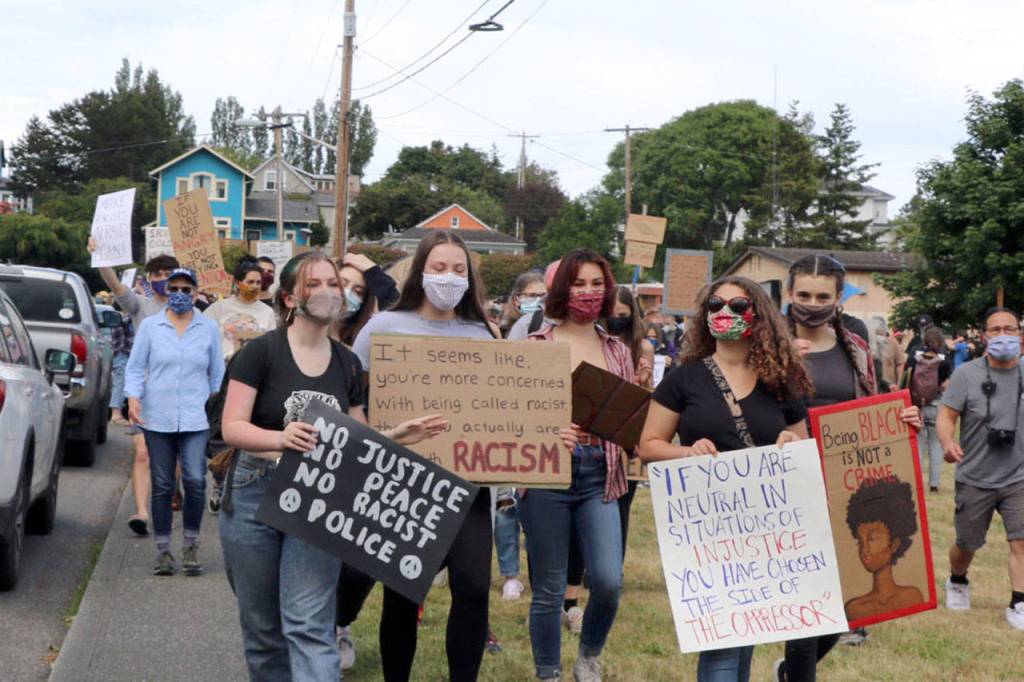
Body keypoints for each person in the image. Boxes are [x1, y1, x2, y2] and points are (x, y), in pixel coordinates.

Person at [218, 251, 445, 680]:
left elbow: (356, 438)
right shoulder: (260, 354)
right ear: (289, 298)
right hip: (254, 494)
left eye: (333, 285)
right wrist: (279, 439)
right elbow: (232, 427)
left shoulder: (347, 363)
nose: (327, 292)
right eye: (314, 284)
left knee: (310, 625)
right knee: (264, 629)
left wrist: (396, 435)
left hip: (318, 498)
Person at [638, 275, 812, 682]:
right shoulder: (684, 378)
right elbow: (648, 445)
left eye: (736, 307)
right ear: (703, 315)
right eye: (715, 306)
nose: (724, 313)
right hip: (709, 528)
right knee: (721, 642)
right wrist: (686, 451)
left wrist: (790, 440)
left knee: (744, 635)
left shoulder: (779, 379)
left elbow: (803, 446)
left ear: (758, 316)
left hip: (765, 527)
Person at [352, 230, 499, 682]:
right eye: (439, 267)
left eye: (458, 269)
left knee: (474, 590)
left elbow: (505, 403)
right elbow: (355, 396)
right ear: (420, 271)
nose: (448, 277)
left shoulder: (485, 334)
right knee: (403, 592)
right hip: (404, 482)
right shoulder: (382, 328)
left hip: (469, 487)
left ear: (470, 277)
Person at [781, 254, 920, 678]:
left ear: (839, 297)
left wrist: (902, 418)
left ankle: (790, 671)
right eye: (803, 294)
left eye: (823, 295)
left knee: (846, 594)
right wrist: (779, 360)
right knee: (808, 595)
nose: (812, 302)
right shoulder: (764, 345)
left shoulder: (855, 347)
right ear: (788, 295)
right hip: (787, 484)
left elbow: (869, 408)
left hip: (847, 482)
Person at [517, 249, 631, 682]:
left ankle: (588, 655)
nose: (588, 292)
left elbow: (628, 419)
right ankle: (548, 672)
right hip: (546, 474)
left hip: (600, 473)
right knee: (548, 586)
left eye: (596, 284)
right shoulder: (534, 347)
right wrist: (543, 430)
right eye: (579, 283)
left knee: (607, 580)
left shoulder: (617, 349)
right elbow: (510, 417)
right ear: (562, 288)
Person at [124, 267, 224, 576]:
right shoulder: (152, 327)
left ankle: (191, 543)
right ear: (166, 291)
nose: (180, 294)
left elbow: (217, 372)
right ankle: (163, 550)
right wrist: (132, 397)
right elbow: (135, 366)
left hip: (196, 416)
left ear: (195, 292)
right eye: (174, 288)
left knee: (195, 479)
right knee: (164, 484)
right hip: (158, 417)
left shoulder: (208, 328)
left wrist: (213, 404)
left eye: (186, 289)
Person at [330, 251, 401, 670]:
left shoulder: (373, 339)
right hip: (302, 461)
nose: (350, 296)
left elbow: (403, 309)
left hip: (361, 462)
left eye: (361, 290)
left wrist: (376, 273)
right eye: (344, 285)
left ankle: (340, 623)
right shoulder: (294, 337)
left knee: (361, 563)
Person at [937, 306, 1024, 631]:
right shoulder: (966, 374)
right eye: (996, 330)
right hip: (975, 476)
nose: (1003, 335)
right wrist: (947, 443)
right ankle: (958, 579)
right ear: (985, 335)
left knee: (1021, 540)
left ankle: (1018, 601)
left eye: (1009, 329)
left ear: (1020, 334)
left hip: (1019, 475)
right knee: (966, 544)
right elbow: (946, 416)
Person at [89, 236, 180, 536]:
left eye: (169, 275)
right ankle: (141, 513)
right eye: (157, 275)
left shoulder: (191, 309)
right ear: (149, 279)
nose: (163, 280)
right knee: (143, 453)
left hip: (180, 396)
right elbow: (116, 286)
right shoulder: (140, 306)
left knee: (173, 459)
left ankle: (172, 492)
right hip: (145, 394)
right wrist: (100, 256)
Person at [843, 477, 925, 620]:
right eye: (860, 542)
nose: (864, 549)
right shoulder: (855, 609)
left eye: (873, 539)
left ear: (894, 544)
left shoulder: (913, 597)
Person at [904, 326, 952, 492]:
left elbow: (906, 378)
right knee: (935, 446)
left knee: (918, 445)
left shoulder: (913, 358)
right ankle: (934, 484)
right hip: (936, 405)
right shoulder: (945, 361)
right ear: (940, 342)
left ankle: (916, 482)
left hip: (916, 406)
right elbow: (946, 383)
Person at [204, 258, 277, 360]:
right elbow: (202, 336)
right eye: (250, 282)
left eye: (258, 283)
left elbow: (272, 345)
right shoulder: (218, 308)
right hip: (224, 369)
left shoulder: (268, 312)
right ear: (238, 283)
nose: (255, 286)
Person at [108, 304, 134, 426]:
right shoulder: (124, 317)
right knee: (120, 381)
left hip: (122, 352)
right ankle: (116, 414)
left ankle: (118, 413)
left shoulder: (121, 317)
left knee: (122, 382)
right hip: (122, 352)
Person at [501, 271, 546, 337]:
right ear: (517, 299)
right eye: (532, 295)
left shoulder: (550, 329)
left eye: (543, 295)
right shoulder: (501, 331)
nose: (539, 300)